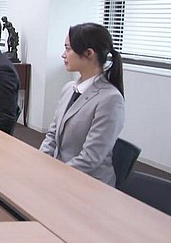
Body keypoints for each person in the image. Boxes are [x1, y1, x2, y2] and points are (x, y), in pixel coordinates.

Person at [40, 23, 125, 186]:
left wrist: (54, 176)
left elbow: (90, 159)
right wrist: (40, 162)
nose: (63, 55)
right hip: (61, 174)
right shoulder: (69, 88)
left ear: (89, 53)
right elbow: (52, 135)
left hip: (89, 183)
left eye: (68, 49)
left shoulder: (110, 99)